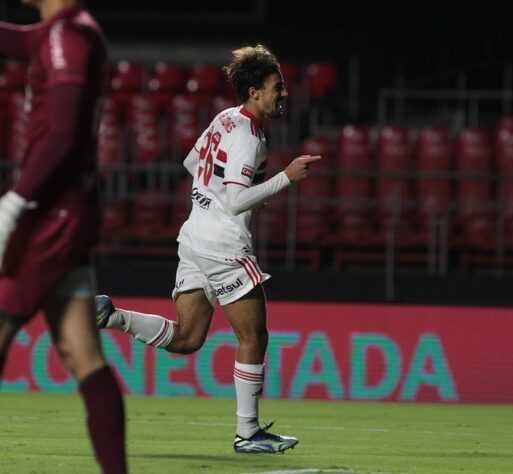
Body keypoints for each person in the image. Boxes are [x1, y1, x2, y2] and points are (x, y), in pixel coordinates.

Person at [96, 44, 320, 454]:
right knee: (254, 335)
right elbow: (235, 200)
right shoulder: (250, 138)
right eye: (278, 87)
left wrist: (226, 192)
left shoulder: (224, 118)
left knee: (188, 338)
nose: (284, 94)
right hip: (223, 245)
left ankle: (112, 315)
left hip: (193, 237)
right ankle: (248, 433)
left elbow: (190, 163)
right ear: (254, 91)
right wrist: (286, 177)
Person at [0, 1, 127, 472]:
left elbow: (62, 136)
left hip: (49, 217)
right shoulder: (67, 30)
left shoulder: (67, 35)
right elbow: (13, 39)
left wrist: (15, 202)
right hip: (66, 212)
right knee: (82, 352)